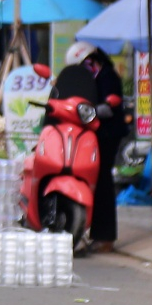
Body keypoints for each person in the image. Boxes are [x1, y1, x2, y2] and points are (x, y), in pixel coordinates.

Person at [50, 41, 126, 250]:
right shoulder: (89, 79)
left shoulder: (107, 76)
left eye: (86, 63)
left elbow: (107, 108)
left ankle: (105, 237)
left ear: (92, 59)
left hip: (107, 135)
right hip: (89, 134)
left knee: (102, 182)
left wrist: (86, 112)